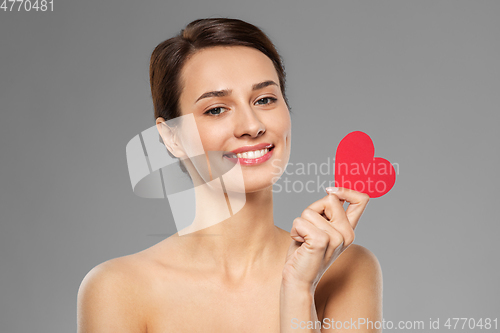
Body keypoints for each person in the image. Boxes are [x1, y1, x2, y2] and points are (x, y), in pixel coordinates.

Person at [77, 18, 382, 333]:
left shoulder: (346, 268)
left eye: (264, 100)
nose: (251, 126)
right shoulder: (117, 289)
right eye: (216, 109)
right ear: (172, 138)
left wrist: (298, 288)